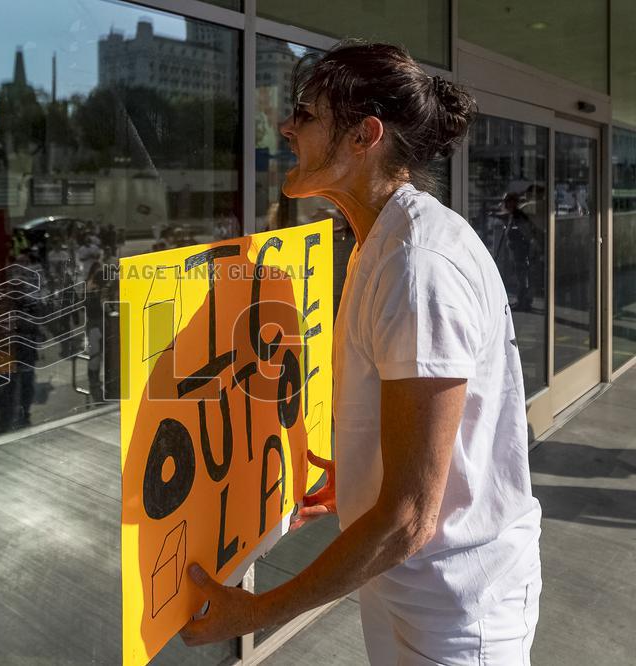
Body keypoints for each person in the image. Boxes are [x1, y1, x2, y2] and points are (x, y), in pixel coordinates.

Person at [180, 41, 542, 665]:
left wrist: (258, 612)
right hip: (416, 592)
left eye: (306, 114)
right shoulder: (387, 241)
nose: (286, 127)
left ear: (364, 136)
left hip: (456, 613)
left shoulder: (416, 266)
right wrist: (355, 479)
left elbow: (408, 518)